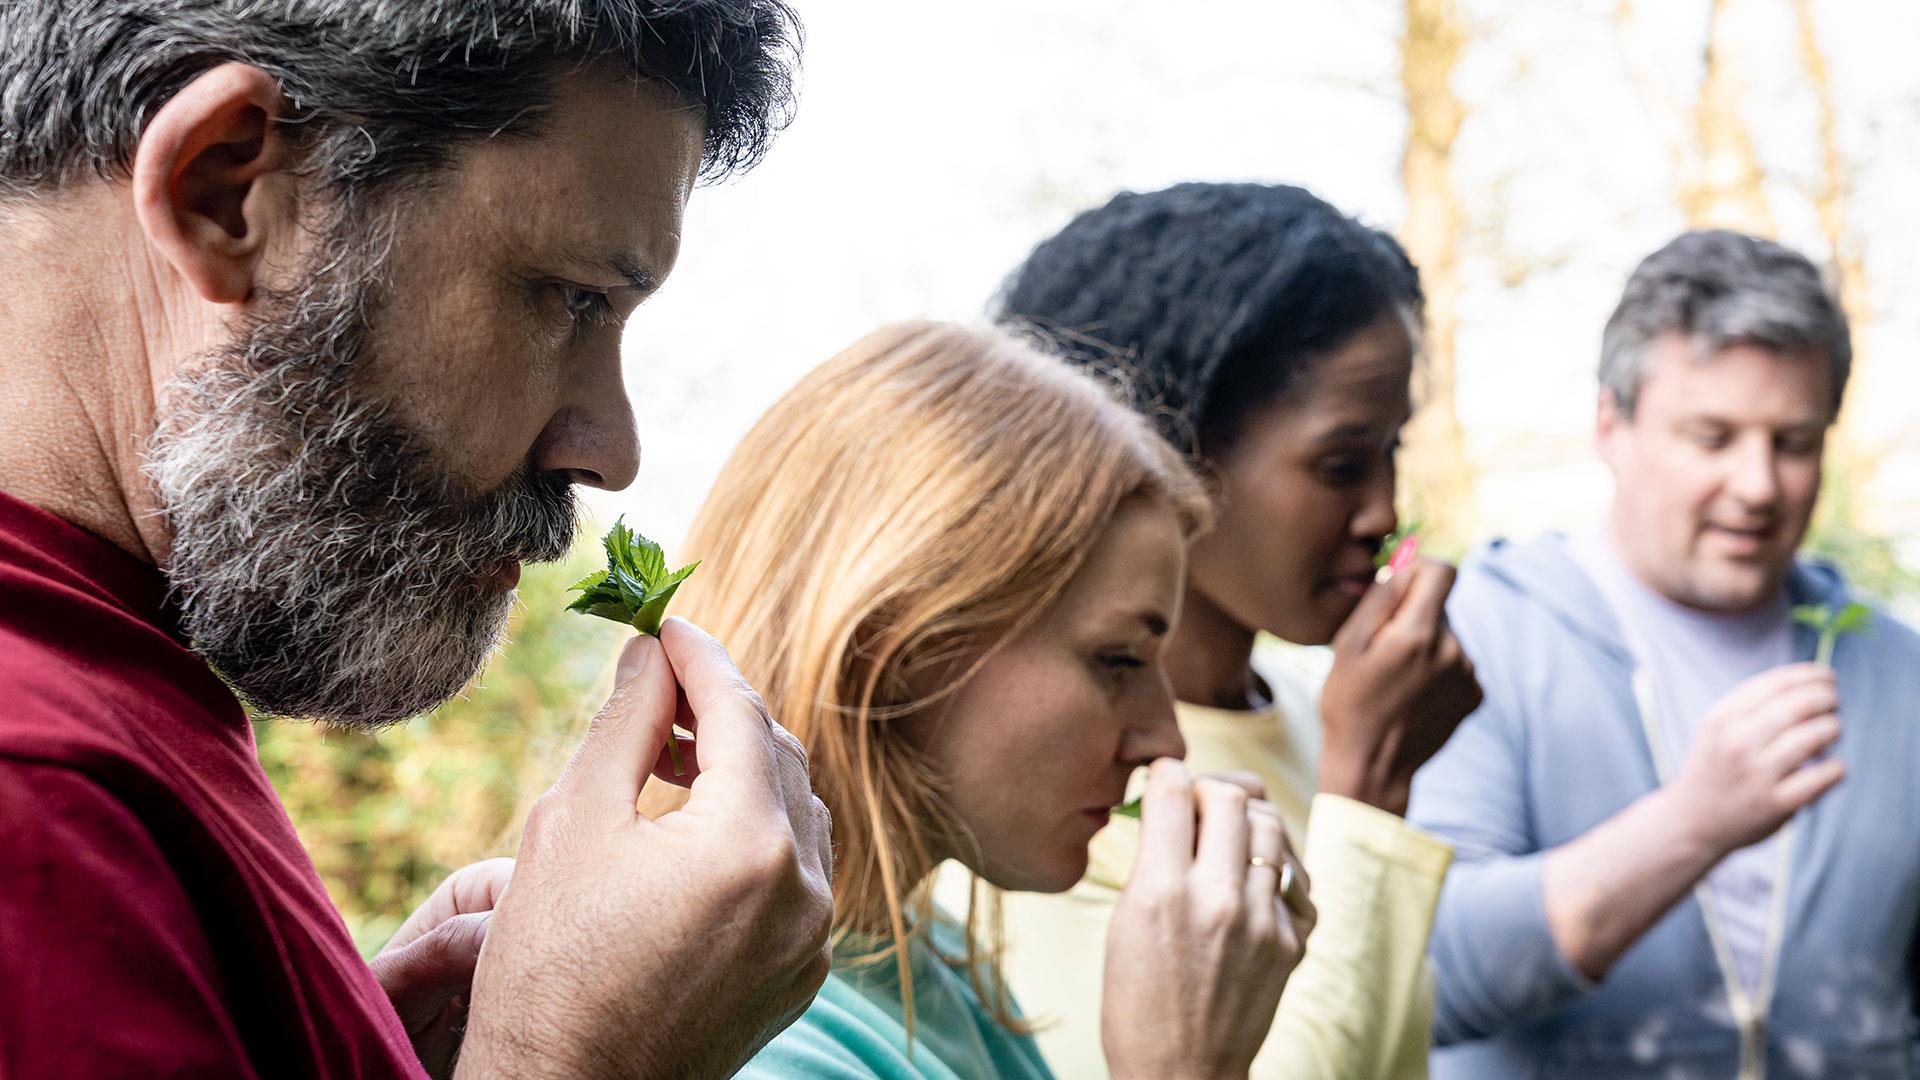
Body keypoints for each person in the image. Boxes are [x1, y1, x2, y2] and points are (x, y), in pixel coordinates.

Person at [0, 4, 835, 1078]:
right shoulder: (34, 797)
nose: (609, 449)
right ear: (227, 192)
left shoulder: (113, 689)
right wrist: (574, 1061)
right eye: (573, 298)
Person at [643, 320, 1316, 1079]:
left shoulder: (920, 957)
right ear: (902, 640)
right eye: (1118, 658)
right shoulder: (764, 1053)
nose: (1166, 740)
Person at [984, 181, 1483, 1079]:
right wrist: (1367, 790)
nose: (1386, 513)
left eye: (1393, 452)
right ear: (1167, 450)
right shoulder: (1065, 772)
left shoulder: (1307, 711)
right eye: (1340, 464)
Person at [1409, 230, 1920, 1078]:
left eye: (1793, 443)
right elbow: (1431, 976)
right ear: (1611, 423)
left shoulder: (1896, 672)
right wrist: (1693, 823)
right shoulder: (1474, 639)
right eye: (1712, 438)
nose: (1758, 485)